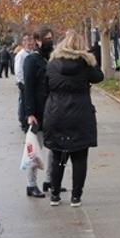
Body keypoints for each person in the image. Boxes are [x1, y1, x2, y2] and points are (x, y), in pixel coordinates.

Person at [42, 31, 103, 207]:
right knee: (80, 156)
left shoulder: (52, 64)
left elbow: (46, 85)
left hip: (56, 113)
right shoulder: (85, 64)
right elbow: (99, 77)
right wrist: (93, 59)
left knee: (57, 154)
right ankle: (76, 196)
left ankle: (54, 194)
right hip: (80, 113)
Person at [23, 27, 54, 196]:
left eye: (51, 38)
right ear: (37, 40)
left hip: (51, 109)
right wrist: (29, 113)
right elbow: (28, 88)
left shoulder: (46, 59)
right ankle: (31, 184)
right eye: (46, 38)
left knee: (53, 148)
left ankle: (49, 180)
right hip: (37, 111)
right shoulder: (31, 60)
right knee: (35, 149)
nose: (50, 41)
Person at [14, 33, 34, 132]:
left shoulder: (32, 53)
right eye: (27, 40)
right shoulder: (21, 55)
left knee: (28, 102)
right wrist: (21, 82)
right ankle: (23, 121)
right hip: (24, 83)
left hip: (31, 83)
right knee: (23, 102)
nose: (29, 43)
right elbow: (18, 70)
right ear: (23, 42)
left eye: (31, 40)